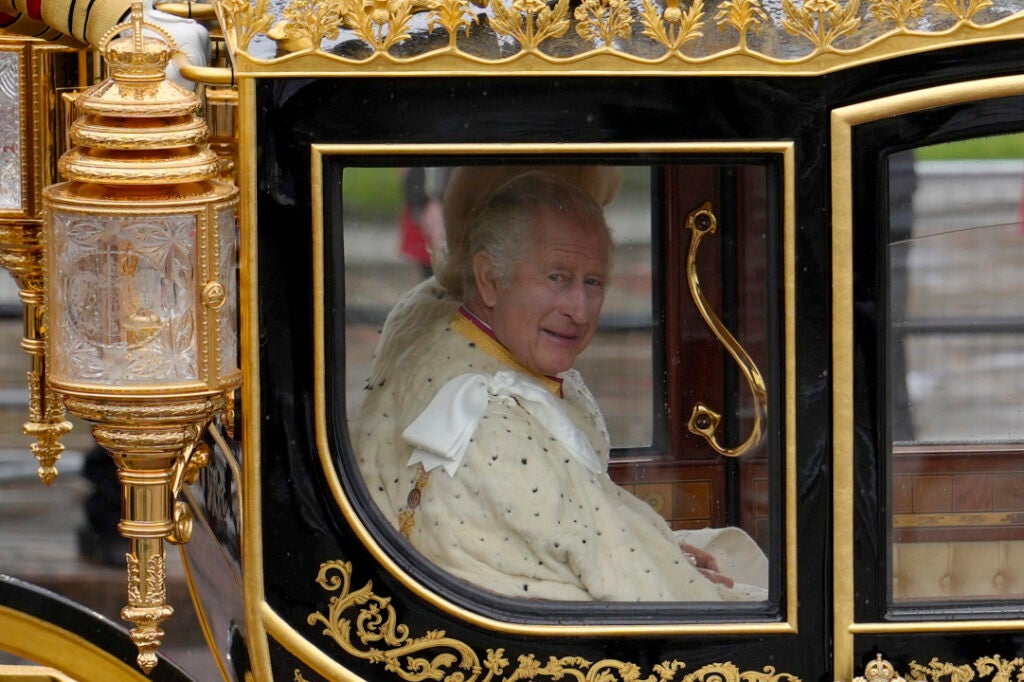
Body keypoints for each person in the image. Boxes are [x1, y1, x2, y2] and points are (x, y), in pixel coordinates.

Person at [353, 168, 767, 601]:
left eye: (593, 282)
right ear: (490, 279)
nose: (580, 310)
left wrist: (661, 549)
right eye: (557, 277)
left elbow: (583, 524)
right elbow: (634, 592)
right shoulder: (493, 425)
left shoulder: (442, 320)